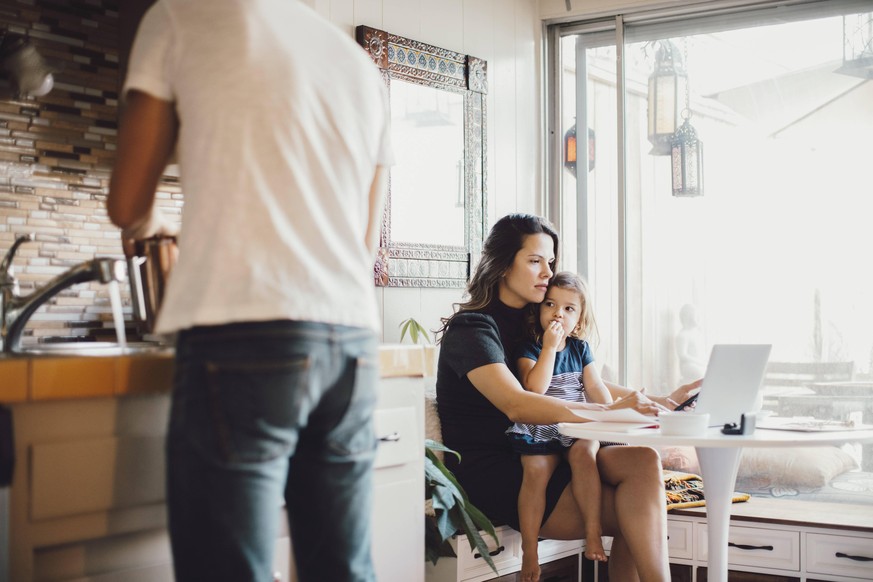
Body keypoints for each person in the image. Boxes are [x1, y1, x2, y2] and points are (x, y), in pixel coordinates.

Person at [106, 2, 392, 581]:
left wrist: (156, 226)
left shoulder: (180, 17)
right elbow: (363, 247)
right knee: (342, 570)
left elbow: (127, 204)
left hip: (247, 333)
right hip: (352, 343)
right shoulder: (357, 64)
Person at [436, 213, 699, 582]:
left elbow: (578, 381)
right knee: (637, 513)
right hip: (502, 468)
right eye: (534, 260)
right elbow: (518, 403)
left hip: (552, 450)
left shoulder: (539, 319)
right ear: (501, 265)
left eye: (550, 261)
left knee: (642, 460)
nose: (547, 271)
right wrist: (605, 412)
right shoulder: (474, 329)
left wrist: (660, 399)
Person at [506, 271, 614, 580]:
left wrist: (609, 411)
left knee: (584, 456)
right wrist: (550, 348)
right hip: (542, 425)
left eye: (568, 309)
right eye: (550, 304)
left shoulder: (581, 349)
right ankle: (530, 550)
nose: (557, 313)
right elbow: (535, 389)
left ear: (579, 320)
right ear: (538, 310)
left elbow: (596, 389)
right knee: (536, 471)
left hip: (578, 425)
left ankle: (593, 532)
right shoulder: (529, 349)